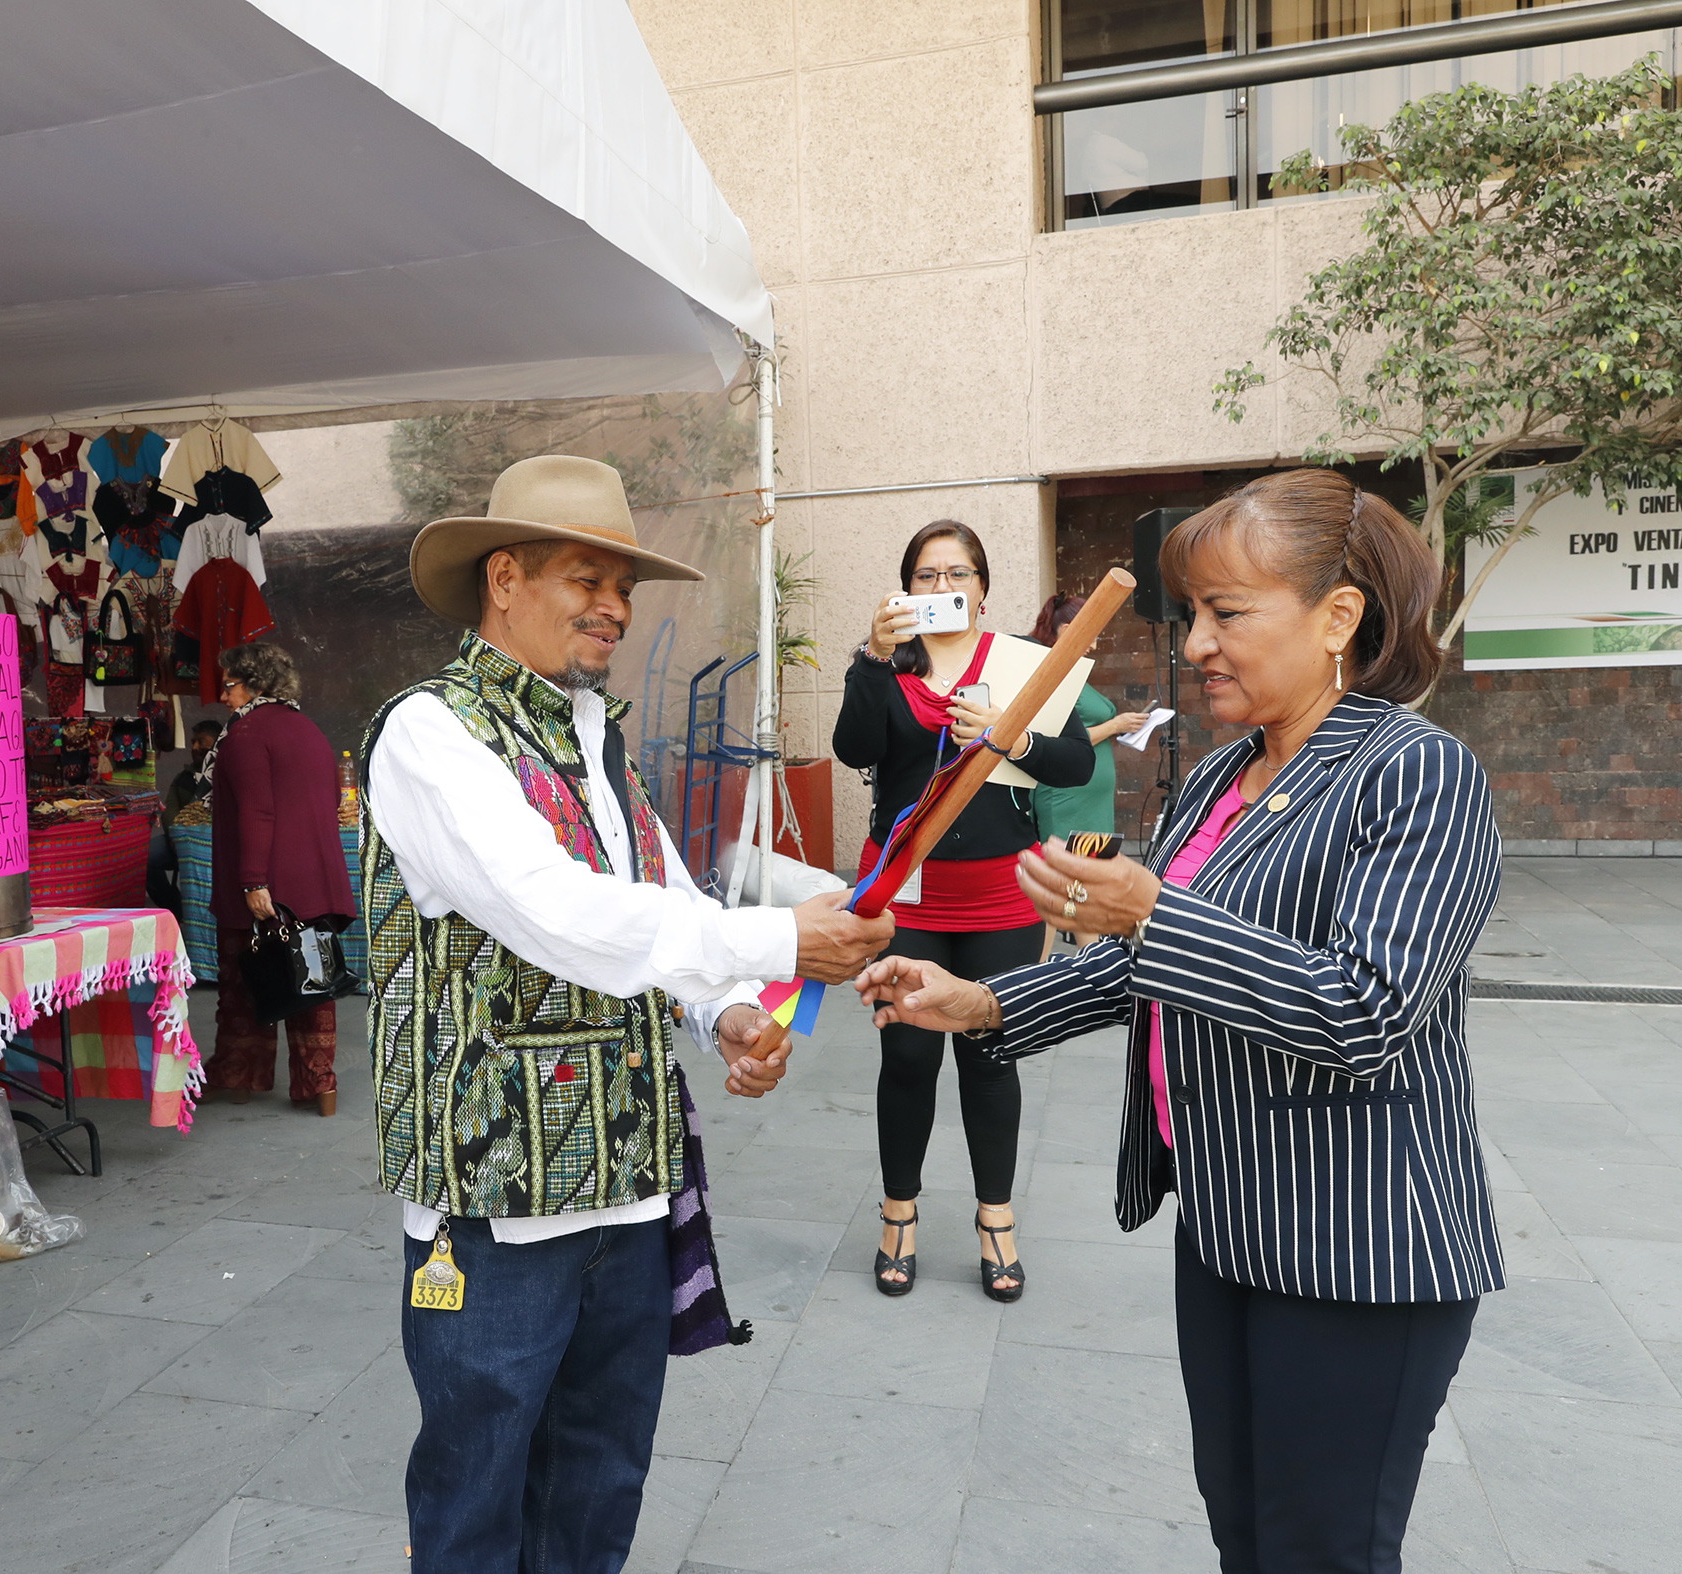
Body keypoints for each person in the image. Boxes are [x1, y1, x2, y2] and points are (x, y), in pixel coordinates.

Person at [856, 469, 1503, 1574]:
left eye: (1227, 612)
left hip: (1358, 1240)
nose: (1196, 642)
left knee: (1321, 1547)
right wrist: (983, 1001)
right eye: (1193, 613)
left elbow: (1366, 1010)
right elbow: (1145, 968)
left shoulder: (1415, 773)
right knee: (1242, 1527)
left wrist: (1150, 909)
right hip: (1226, 1217)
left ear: (1338, 617)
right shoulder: (1219, 779)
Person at [367, 453, 894, 1572]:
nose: (614, 606)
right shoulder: (430, 733)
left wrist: (730, 1012)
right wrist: (778, 941)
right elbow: (555, 913)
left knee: (599, 1483)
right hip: (496, 1205)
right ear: (503, 578)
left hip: (627, 1177)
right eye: (585, 578)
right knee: (474, 1499)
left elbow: (663, 900)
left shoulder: (594, 736)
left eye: (623, 586)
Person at [831, 520, 1096, 1303]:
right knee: (908, 1057)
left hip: (1000, 898)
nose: (942, 586)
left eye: (958, 573)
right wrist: (871, 658)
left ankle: (996, 1221)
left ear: (983, 587)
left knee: (990, 1057)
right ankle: (898, 1214)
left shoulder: (1020, 664)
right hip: (908, 892)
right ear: (905, 588)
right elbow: (854, 750)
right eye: (926, 574)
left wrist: (1012, 740)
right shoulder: (884, 665)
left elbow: (1076, 760)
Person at [204, 644, 357, 1114]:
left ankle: (238, 1076)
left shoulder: (247, 733)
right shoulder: (307, 728)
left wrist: (253, 881)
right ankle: (321, 1085)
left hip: (269, 880)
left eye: (229, 686)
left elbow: (257, 810)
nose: (223, 697)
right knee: (312, 985)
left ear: (256, 684)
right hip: (312, 881)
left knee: (243, 981)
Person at [1026, 591, 1155, 949]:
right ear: (1067, 630)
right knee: (1059, 882)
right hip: (1067, 798)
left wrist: (1120, 728)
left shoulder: (1075, 675)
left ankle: (1092, 961)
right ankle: (1036, 968)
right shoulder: (1052, 675)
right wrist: (1114, 725)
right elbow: (1053, 739)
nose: (1095, 644)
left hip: (1089, 803)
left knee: (1080, 886)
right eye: (1091, 634)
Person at [146, 719, 223, 912]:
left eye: (201, 742)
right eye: (193, 742)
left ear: (217, 745)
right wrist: (177, 836)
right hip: (178, 838)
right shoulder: (184, 777)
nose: (194, 747)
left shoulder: (226, 775)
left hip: (213, 844)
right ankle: (176, 909)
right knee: (145, 856)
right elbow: (169, 809)